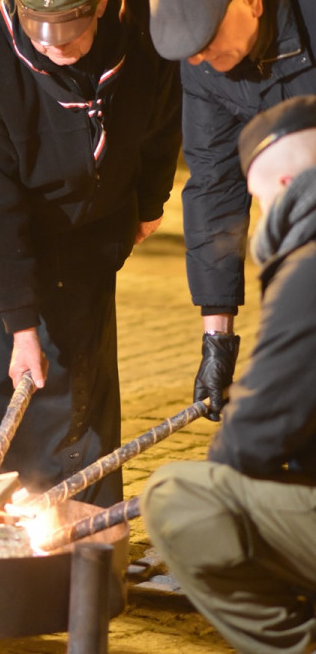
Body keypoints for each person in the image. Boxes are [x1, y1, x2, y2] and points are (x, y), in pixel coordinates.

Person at [0, 0, 181, 506]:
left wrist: (148, 201)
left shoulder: (148, 17)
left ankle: (78, 522)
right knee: (4, 365)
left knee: (79, 359)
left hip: (93, 211)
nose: (51, 46)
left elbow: (164, 117)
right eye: (39, 33)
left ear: (104, 3)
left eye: (68, 34)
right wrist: (19, 323)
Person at [141, 94, 316, 654]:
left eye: (262, 202)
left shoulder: (308, 272)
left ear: (286, 186)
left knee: (179, 497)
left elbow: (248, 445)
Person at [148, 0, 316, 421]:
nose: (198, 62)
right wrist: (217, 337)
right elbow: (215, 185)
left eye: (205, 45)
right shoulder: (201, 63)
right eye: (188, 54)